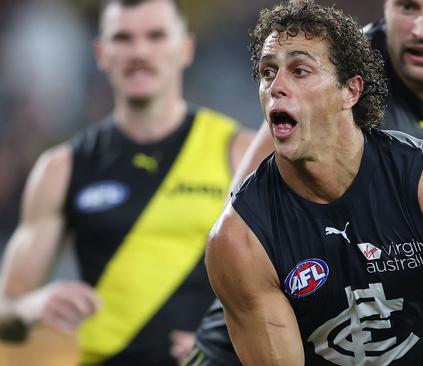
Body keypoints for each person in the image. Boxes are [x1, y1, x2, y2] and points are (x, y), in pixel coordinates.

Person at [186, 0, 423, 364]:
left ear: (351, 90)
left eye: (299, 71)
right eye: (267, 73)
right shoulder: (242, 236)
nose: (277, 86)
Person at [0, 0, 253, 365]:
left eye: (155, 36)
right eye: (123, 38)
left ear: (186, 48)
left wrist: (225, 338)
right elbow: (7, 308)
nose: (139, 51)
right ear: (101, 53)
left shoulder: (239, 154)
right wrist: (31, 306)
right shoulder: (63, 167)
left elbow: (296, 282)